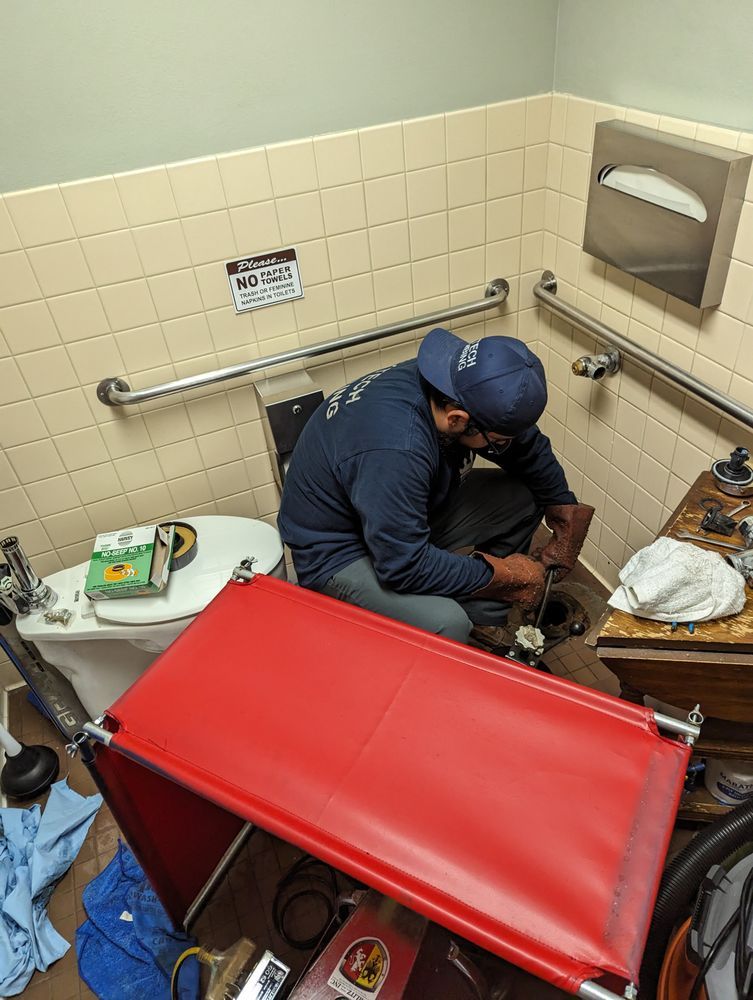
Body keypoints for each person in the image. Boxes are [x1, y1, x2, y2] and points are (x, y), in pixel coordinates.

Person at [277, 328, 594, 649]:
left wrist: (561, 506)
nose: (504, 447)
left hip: (394, 514)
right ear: (457, 419)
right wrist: (503, 576)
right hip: (339, 552)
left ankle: (483, 617)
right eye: (498, 442)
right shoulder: (397, 448)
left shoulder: (453, 383)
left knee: (523, 497)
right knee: (447, 622)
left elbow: (526, 448)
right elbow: (404, 566)